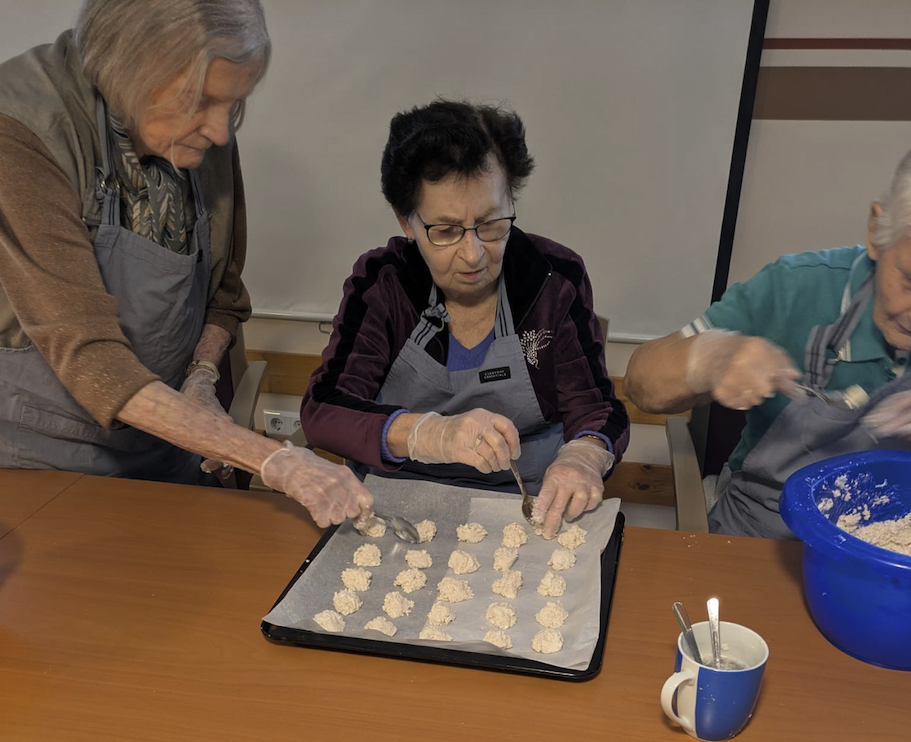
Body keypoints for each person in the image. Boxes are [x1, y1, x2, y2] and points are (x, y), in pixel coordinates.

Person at [0, 0, 372, 528]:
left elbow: (225, 296)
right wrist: (275, 460)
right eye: (202, 102)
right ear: (132, 69)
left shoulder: (201, 129)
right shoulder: (23, 133)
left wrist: (199, 378)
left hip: (164, 448)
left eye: (234, 104)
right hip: (42, 466)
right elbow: (91, 356)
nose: (221, 131)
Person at [301, 99, 630, 538]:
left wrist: (584, 456)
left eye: (492, 223)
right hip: (396, 511)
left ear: (510, 200)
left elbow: (595, 409)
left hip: (524, 510)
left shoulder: (551, 280)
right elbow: (323, 410)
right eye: (446, 230)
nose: (474, 253)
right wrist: (428, 435)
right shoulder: (385, 285)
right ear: (407, 222)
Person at [624, 148, 911, 539]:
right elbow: (643, 382)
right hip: (765, 531)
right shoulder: (796, 287)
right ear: (877, 232)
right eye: (909, 279)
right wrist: (711, 358)